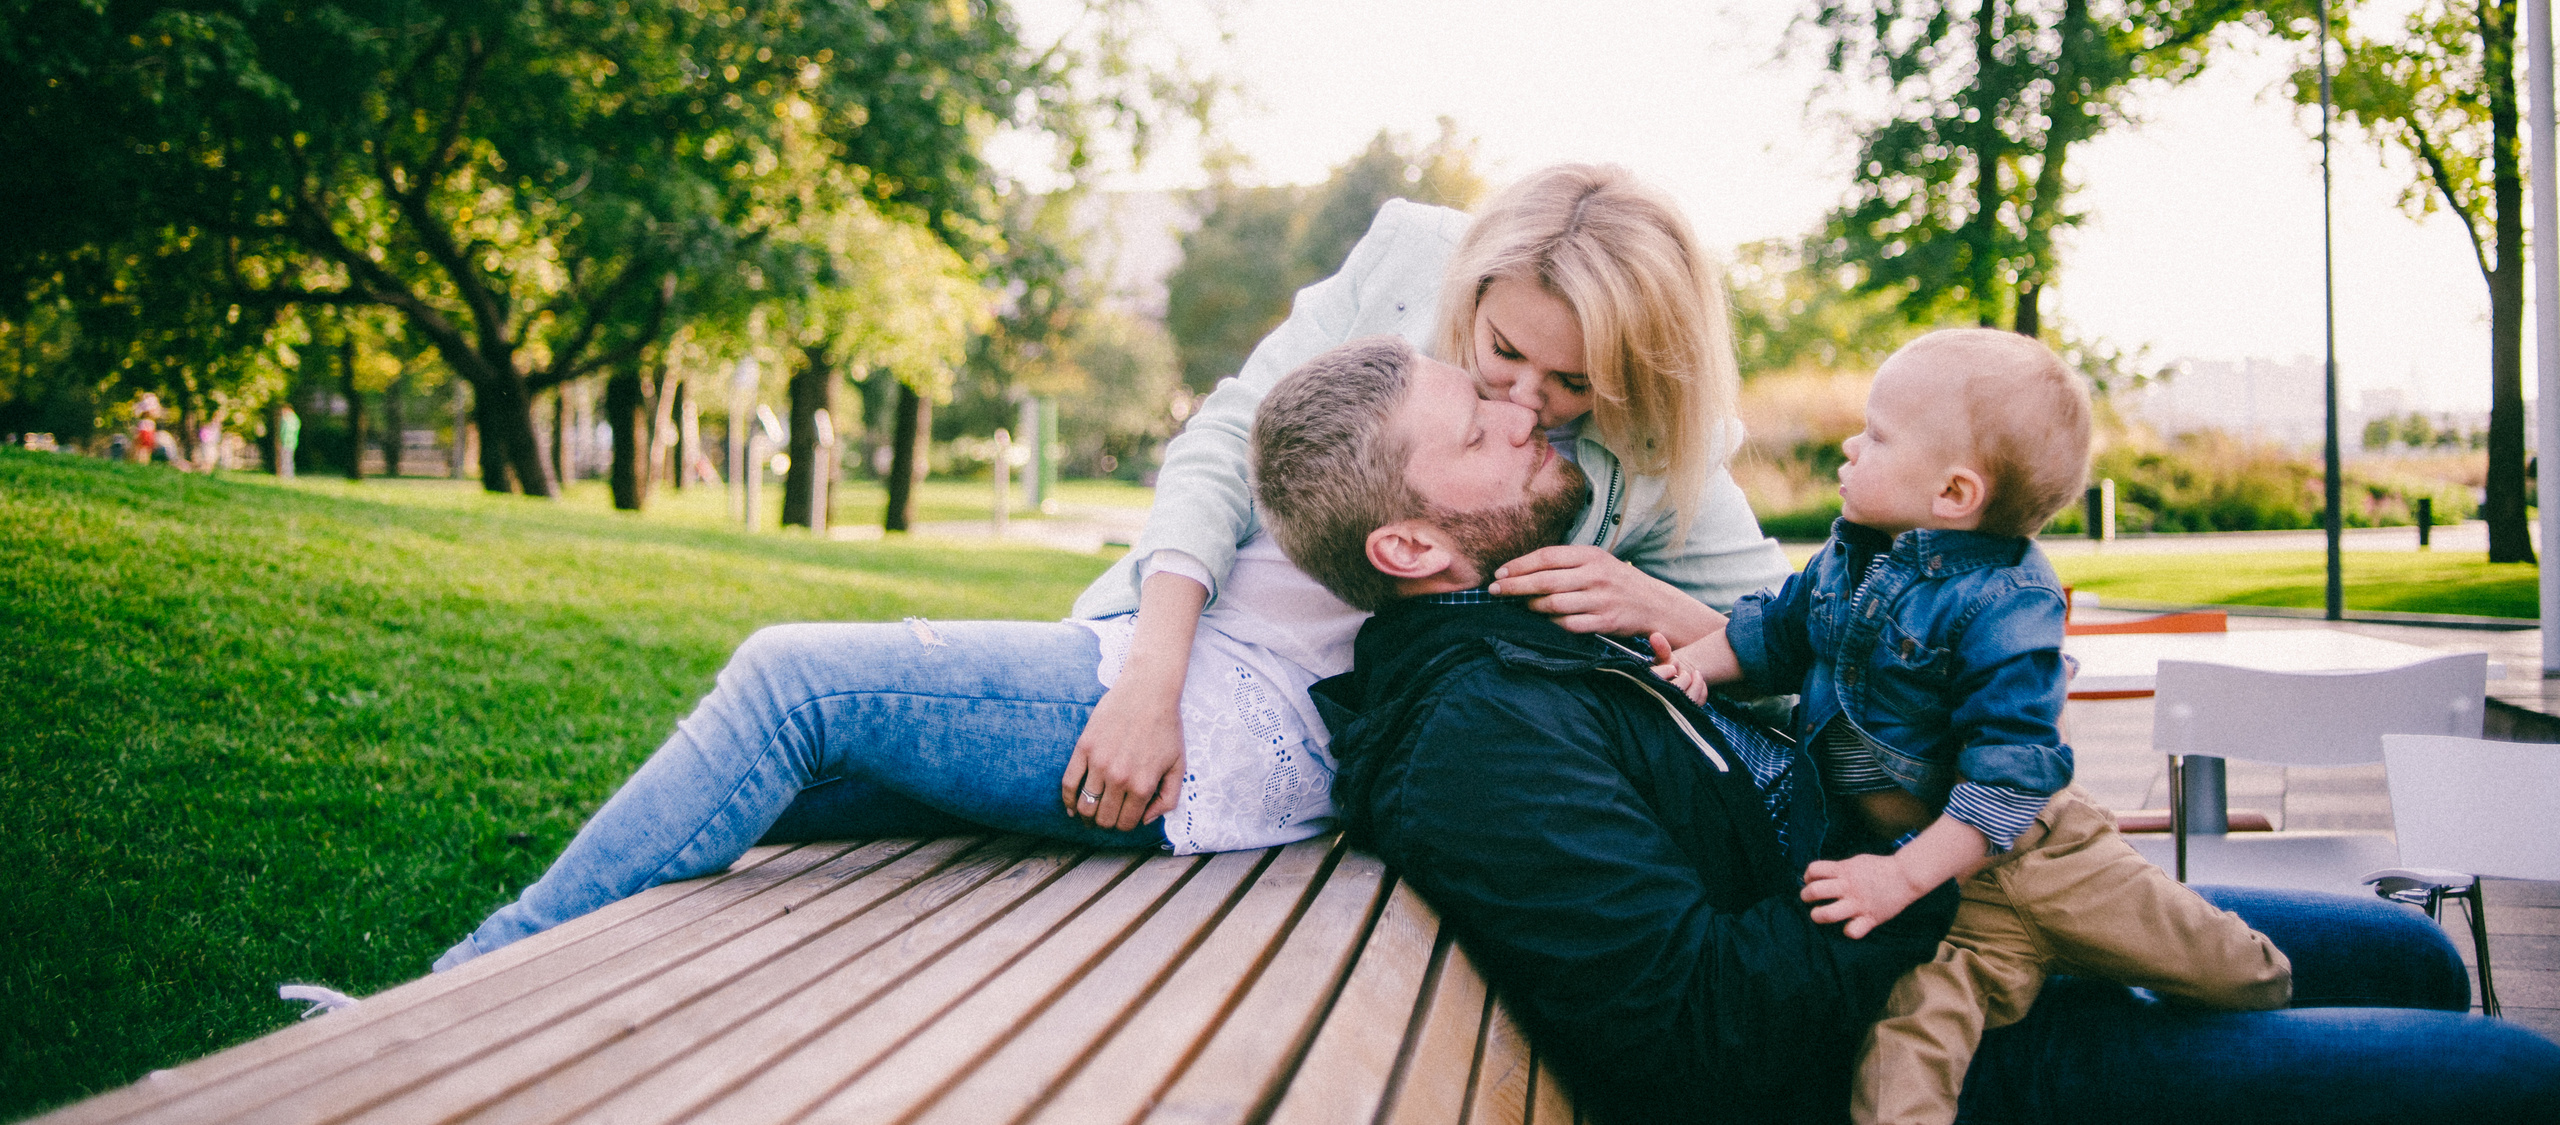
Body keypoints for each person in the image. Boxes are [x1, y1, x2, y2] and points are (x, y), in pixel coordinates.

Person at [433, 164, 1786, 968]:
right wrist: (1149, 662)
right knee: (789, 792)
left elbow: (1786, 635)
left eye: (1574, 383)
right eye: (1502, 358)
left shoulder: (1665, 456)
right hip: (1169, 665)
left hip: (1260, 732)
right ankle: (545, 1003)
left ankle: (453, 994)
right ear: (1472, 294)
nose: (1532, 403)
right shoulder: (1410, 260)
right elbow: (1223, 444)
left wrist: (1672, 610)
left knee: (794, 689)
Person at [1251, 334, 2560, 1125]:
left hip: (1929, 911)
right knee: (2507, 1080)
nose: (1524, 409)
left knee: (2404, 952)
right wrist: (1940, 863)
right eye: (1478, 426)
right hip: (1914, 1036)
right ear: (1410, 541)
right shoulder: (1475, 735)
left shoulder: (1517, 624)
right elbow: (1703, 1025)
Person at [1654, 329, 2288, 1125]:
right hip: (1944, 908)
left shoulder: (2006, 606)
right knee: (1898, 1069)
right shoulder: (1846, 559)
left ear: (1954, 493)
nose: (1850, 444)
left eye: (1877, 434)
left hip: (2043, 861)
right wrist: (1697, 666)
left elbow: (2006, 783)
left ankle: (2304, 1008)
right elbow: (1773, 633)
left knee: (2233, 969)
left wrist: (1897, 877)